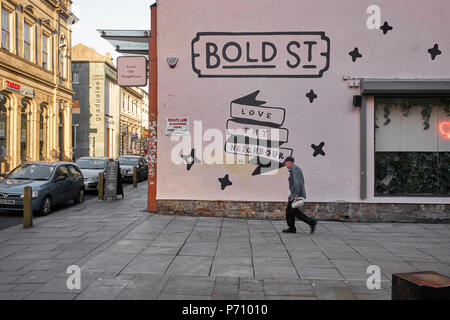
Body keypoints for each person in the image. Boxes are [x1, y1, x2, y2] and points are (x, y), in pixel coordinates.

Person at [282, 156, 317, 234]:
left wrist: (297, 195)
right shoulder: (294, 169)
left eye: (285, 163)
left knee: (295, 212)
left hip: (295, 194)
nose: (285, 165)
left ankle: (311, 222)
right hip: (294, 194)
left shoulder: (294, 169)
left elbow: (297, 183)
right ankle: (292, 228)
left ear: (289, 162)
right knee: (289, 211)